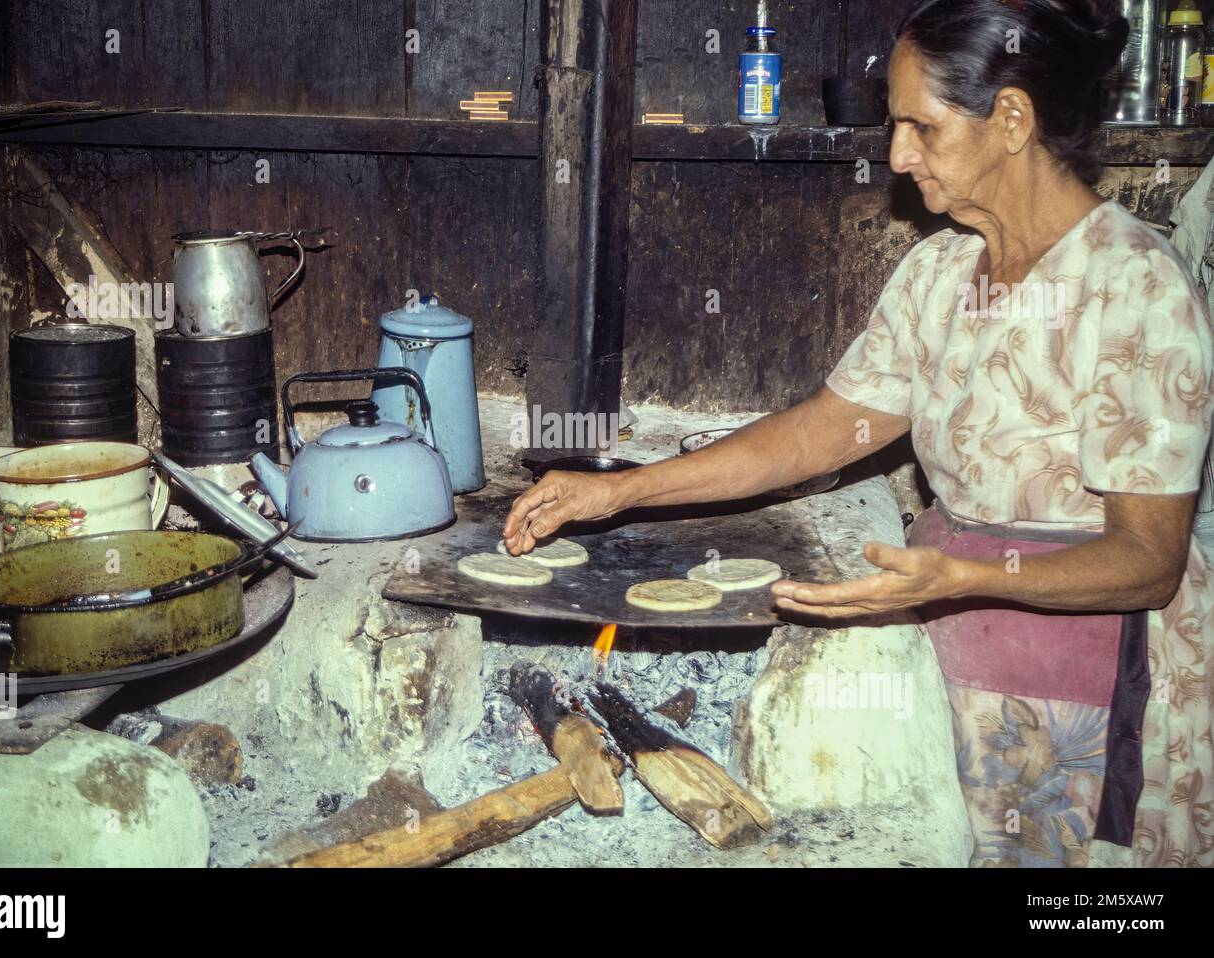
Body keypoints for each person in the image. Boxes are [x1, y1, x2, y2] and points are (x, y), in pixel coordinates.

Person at [503, 0, 1214, 867]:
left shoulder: (1136, 288)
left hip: (1083, 684)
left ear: (1013, 119)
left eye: (921, 125)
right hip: (954, 646)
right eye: (894, 125)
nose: (897, 155)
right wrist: (620, 490)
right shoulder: (942, 269)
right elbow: (826, 430)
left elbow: (1148, 560)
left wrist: (963, 574)